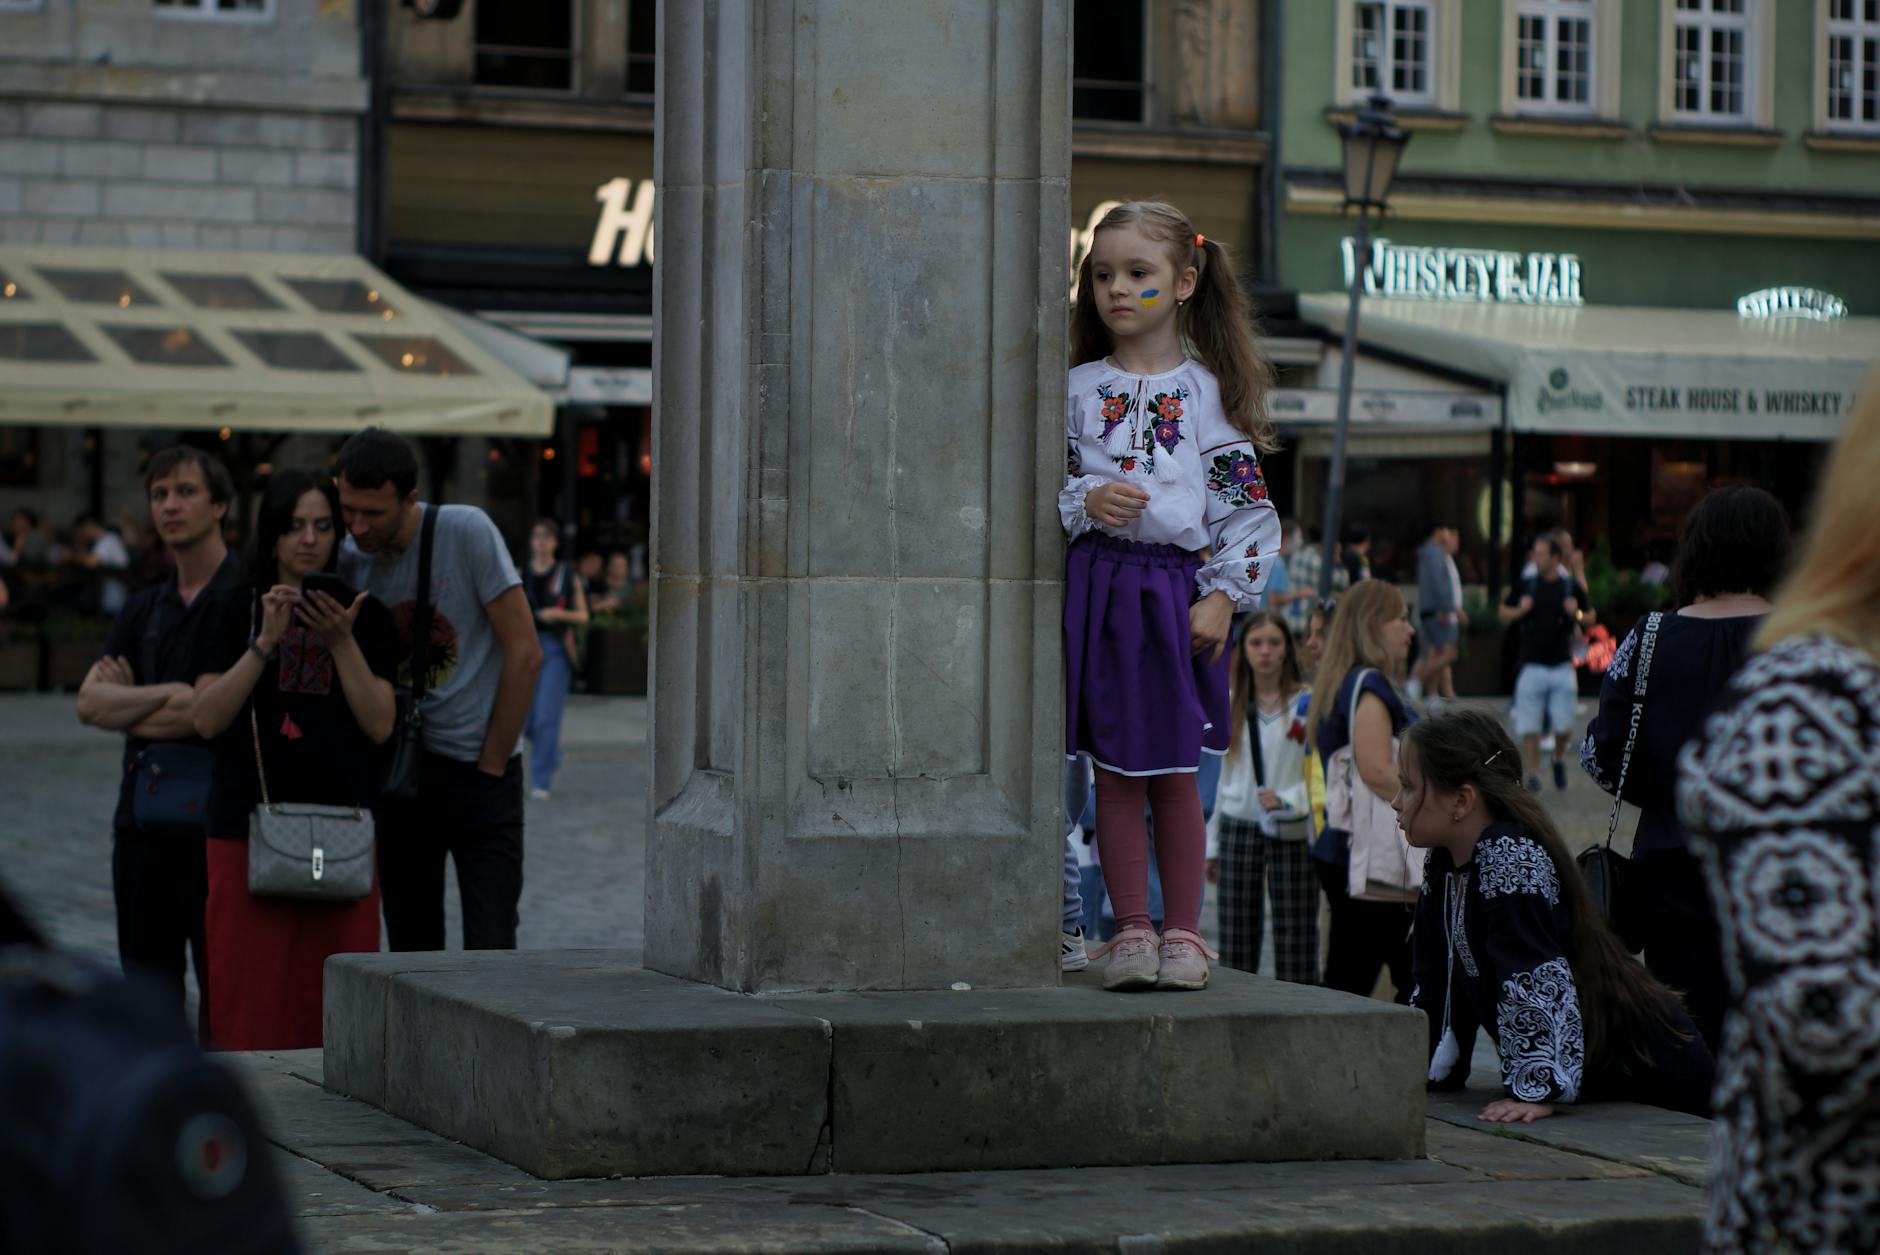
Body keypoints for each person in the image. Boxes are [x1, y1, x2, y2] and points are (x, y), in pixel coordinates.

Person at [1677, 390, 1880, 1253]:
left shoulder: (1662, 640)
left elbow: (1606, 753)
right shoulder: (1807, 702)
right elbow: (1820, 1019)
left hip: (1665, 872)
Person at [1061, 200, 1281, 992]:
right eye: (1102, 274)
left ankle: (1183, 934)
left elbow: (1246, 506)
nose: (1117, 289)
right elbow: (1047, 485)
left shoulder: (1207, 394)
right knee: (1116, 769)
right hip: (1101, 591)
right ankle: (1129, 931)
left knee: (1176, 770)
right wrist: (1084, 499)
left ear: (1186, 281)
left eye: (1138, 273)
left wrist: (1225, 597)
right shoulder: (1075, 388)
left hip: (1174, 595)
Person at [1402, 710, 1714, 1123]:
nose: (1395, 801)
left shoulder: (1508, 852)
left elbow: (1533, 972)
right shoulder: (1444, 865)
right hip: (1607, 1073)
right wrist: (1429, 1069)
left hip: (1652, 1073)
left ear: (1461, 800)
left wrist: (1538, 1086)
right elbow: (1436, 979)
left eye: (1408, 787)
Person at [188, 470, 396, 1050]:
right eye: (295, 525)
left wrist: (341, 640)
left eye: (323, 526)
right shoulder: (232, 611)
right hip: (245, 826)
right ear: (272, 534)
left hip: (343, 828)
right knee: (249, 999)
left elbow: (380, 724)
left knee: (334, 1004)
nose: (309, 539)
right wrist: (264, 644)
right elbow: (206, 717)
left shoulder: (364, 616)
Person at [1580, 486, 1789, 1054]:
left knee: (1690, 1031)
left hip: (1672, 867)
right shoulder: (1806, 639)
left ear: (1694, 549)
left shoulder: (1648, 639)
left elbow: (1605, 759)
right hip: (1782, 869)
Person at [335, 428, 542, 952]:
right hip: (403, 776)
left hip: (479, 771)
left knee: (492, 947)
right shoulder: (351, 558)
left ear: (410, 499)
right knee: (412, 946)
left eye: (373, 514)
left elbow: (525, 650)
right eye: (348, 510)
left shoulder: (465, 531)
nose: (358, 527)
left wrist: (493, 760)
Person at [75, 447, 240, 1030]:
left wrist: (134, 705)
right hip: (142, 829)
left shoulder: (244, 598)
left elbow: (209, 716)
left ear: (219, 504)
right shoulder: (143, 608)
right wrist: (174, 695)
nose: (170, 505)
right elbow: (90, 703)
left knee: (228, 1004)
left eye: (186, 491)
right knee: (148, 1005)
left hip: (221, 832)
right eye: (159, 494)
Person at [1305, 579, 1416, 999]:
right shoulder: (1369, 684)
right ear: (1373, 624)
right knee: (1389, 979)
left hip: (1345, 850)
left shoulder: (1345, 681)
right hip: (1369, 857)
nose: (1409, 629)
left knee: (1350, 978)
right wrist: (1429, 806)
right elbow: (1376, 769)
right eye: (1400, 619)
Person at [1207, 611, 1316, 982]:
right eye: (1256, 643)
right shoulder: (1229, 702)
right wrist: (1211, 845)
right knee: (1236, 934)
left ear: (1287, 648)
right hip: (1239, 823)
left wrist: (1291, 799)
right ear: (1244, 649)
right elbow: (1218, 778)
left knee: (1297, 933)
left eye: (1274, 642)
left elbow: (1316, 771)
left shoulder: (1307, 702)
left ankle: (1300, 1011)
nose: (1265, 652)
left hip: (1292, 826)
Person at [1500, 535, 1588, 793]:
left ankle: (1558, 758)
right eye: (1535, 554)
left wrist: (1577, 613)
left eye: (1541, 554)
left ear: (1555, 558)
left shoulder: (1568, 586)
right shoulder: (1527, 585)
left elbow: (1590, 615)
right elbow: (1503, 612)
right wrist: (1521, 610)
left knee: (1564, 724)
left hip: (1561, 664)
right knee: (1530, 724)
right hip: (1532, 664)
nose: (1536, 559)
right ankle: (1535, 773)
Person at [521, 518, 589, 800]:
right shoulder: (519, 574)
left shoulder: (566, 573)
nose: (541, 541)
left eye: (547, 537)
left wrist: (558, 614)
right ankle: (551, 753)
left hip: (555, 648)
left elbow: (584, 616)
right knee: (525, 720)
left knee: (547, 716)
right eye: (537, 536)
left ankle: (541, 778)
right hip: (524, 649)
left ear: (555, 542)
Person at [1410, 523, 1465, 706]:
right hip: (1438, 612)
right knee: (1449, 653)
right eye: (1445, 532)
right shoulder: (1434, 554)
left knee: (1434, 653)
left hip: (1435, 610)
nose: (1448, 536)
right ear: (1438, 533)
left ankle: (1432, 695)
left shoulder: (1434, 554)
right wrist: (1445, 609)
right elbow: (1440, 584)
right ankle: (1414, 681)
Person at [72, 513, 131, 617]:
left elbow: (92, 562)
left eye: (83, 530)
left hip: (113, 600)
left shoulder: (108, 540)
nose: (83, 534)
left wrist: (73, 554)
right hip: (109, 597)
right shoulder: (105, 540)